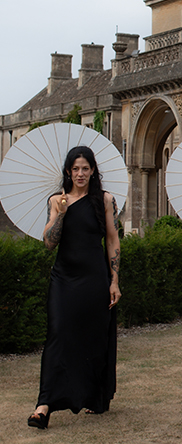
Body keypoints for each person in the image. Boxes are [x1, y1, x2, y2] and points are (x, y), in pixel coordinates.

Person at [27, 146, 121, 429]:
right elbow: (49, 243)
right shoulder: (56, 200)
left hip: (95, 278)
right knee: (57, 334)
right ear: (68, 171)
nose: (80, 174)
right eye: (76, 169)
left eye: (85, 168)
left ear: (93, 171)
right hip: (63, 279)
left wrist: (114, 281)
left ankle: (94, 396)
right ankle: (44, 405)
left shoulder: (105, 200)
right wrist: (60, 214)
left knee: (94, 336)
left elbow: (113, 240)